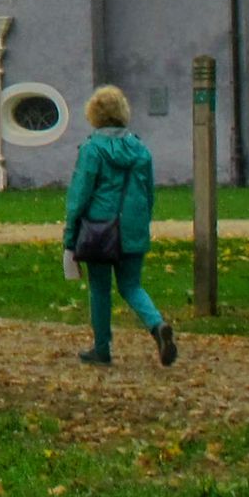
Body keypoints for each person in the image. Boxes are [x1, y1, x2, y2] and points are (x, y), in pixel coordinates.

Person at [63, 85, 177, 367]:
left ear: (94, 114)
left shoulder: (91, 150)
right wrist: (141, 222)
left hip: (99, 230)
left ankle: (102, 348)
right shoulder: (141, 150)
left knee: (100, 289)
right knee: (131, 285)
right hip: (133, 228)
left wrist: (70, 235)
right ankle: (156, 324)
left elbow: (79, 195)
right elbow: (149, 193)